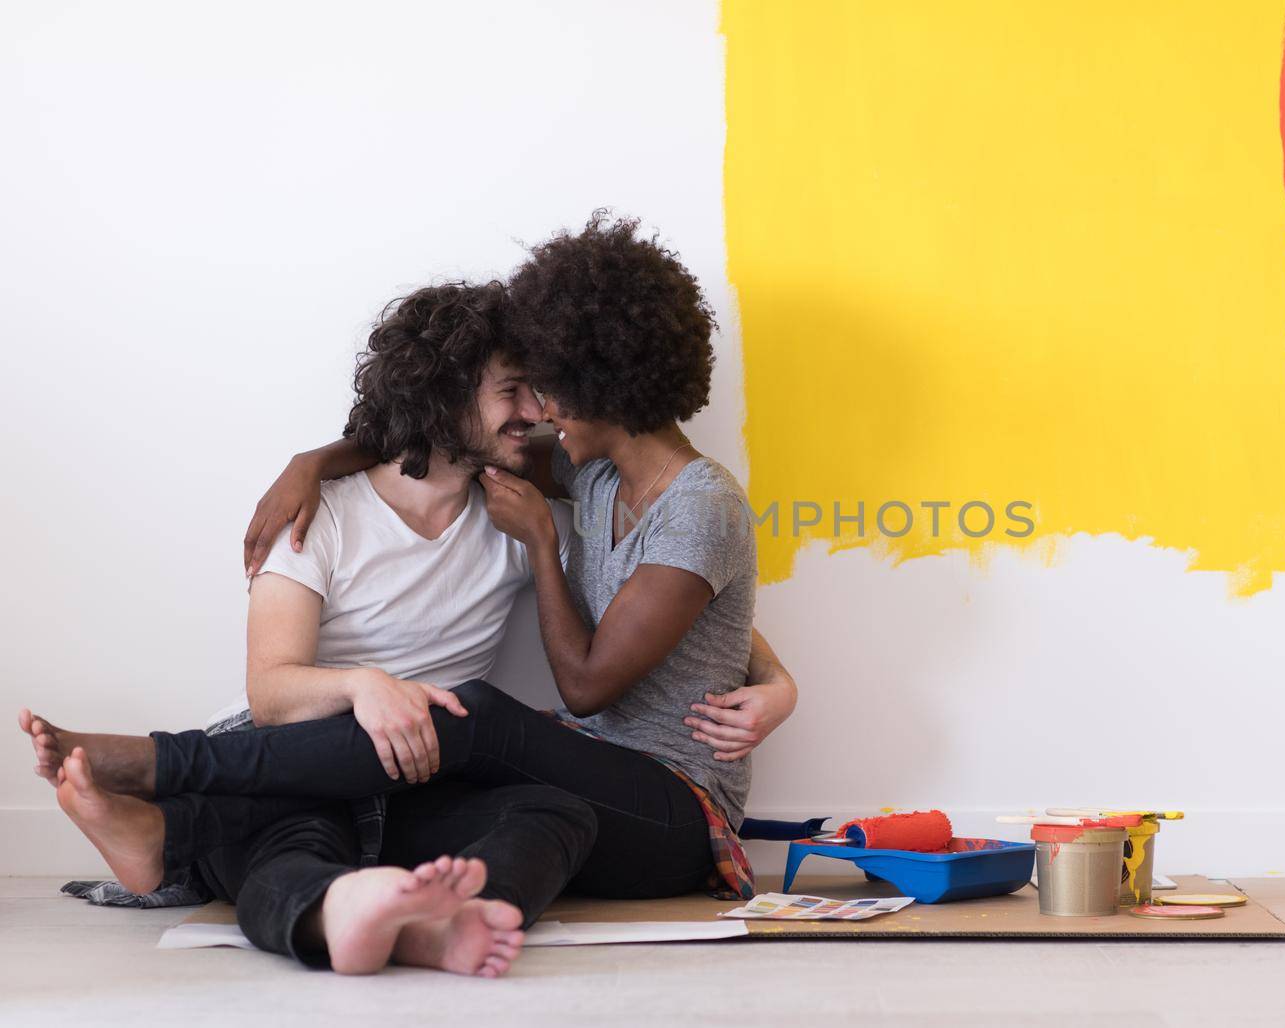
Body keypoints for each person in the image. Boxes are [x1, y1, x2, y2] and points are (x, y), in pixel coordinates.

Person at [23, 215, 783, 973]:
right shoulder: (593, 477)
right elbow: (434, 434)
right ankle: (449, 920)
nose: (542, 411)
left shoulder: (651, 505)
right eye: (520, 389)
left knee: (471, 714)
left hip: (670, 800)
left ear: (597, 385)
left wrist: (545, 549)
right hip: (540, 775)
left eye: (549, 389)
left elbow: (604, 670)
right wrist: (313, 460)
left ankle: (164, 778)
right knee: (448, 818)